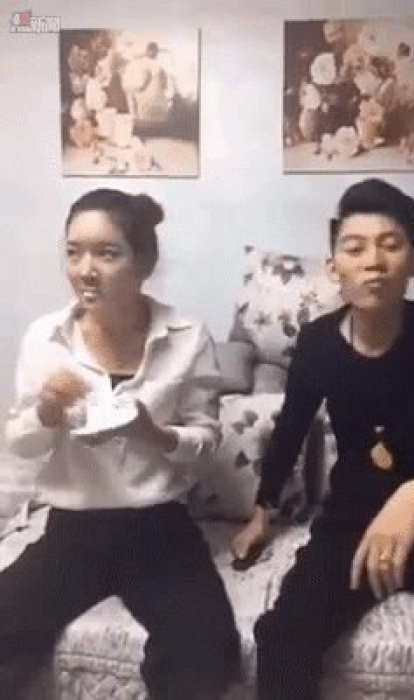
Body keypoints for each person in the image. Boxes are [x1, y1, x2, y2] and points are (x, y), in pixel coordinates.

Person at [232, 178, 414, 700]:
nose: (373, 262)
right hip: (352, 520)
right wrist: (262, 513)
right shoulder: (317, 344)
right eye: (355, 248)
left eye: (391, 245)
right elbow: (290, 431)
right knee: (282, 639)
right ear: (334, 267)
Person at [1, 188, 240, 700]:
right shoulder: (46, 337)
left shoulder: (186, 335)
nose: (86, 270)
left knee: (206, 646)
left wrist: (154, 433)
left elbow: (206, 443)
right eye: (73, 252)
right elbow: (19, 444)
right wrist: (45, 413)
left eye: (107, 254)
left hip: (158, 530)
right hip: (73, 531)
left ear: (143, 263)